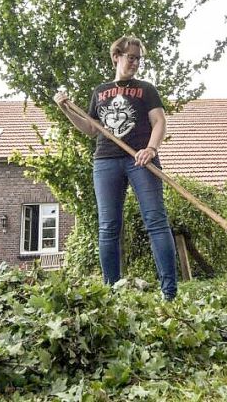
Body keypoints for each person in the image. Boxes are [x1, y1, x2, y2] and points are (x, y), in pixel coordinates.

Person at [54, 36, 178, 300]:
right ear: (116, 57)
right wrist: (66, 109)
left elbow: (159, 122)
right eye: (130, 57)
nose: (135, 63)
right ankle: (111, 293)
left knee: (156, 222)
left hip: (140, 160)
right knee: (108, 226)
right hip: (106, 161)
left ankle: (169, 294)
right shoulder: (100, 92)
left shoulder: (146, 89)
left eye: (138, 59)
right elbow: (90, 128)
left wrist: (151, 149)